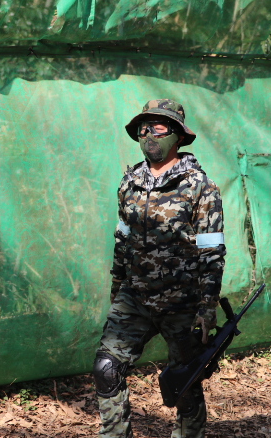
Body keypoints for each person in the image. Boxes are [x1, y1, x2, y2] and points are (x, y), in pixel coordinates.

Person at [94, 99, 226, 438]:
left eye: (159, 126)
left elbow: (212, 251)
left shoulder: (200, 186)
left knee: (185, 382)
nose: (149, 134)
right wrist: (117, 284)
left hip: (182, 301)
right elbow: (122, 237)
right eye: (143, 128)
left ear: (178, 136)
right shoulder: (130, 183)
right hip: (134, 297)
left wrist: (207, 306)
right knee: (106, 368)